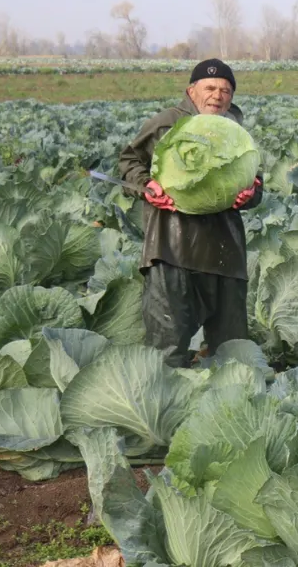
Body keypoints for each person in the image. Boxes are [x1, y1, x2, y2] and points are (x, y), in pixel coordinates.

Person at [118, 57, 263, 368]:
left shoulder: (234, 131)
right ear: (191, 91)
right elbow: (129, 162)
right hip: (172, 248)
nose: (218, 95)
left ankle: (229, 407)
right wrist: (147, 185)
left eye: (225, 90)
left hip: (225, 250)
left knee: (232, 346)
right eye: (210, 87)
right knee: (168, 341)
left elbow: (255, 180)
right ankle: (165, 405)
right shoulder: (166, 123)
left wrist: (252, 192)